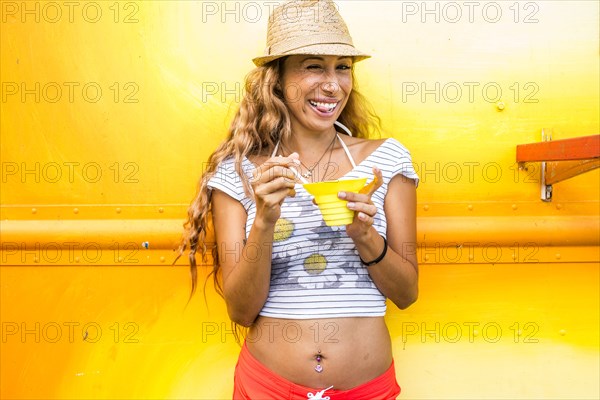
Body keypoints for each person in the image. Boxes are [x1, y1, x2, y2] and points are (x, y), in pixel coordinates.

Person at [180, 1, 419, 398]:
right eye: (314, 66)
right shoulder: (238, 174)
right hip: (267, 387)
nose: (332, 84)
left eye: (343, 67)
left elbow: (407, 294)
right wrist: (264, 220)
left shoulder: (387, 160)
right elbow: (241, 312)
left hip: (366, 389)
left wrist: (364, 235)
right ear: (277, 81)